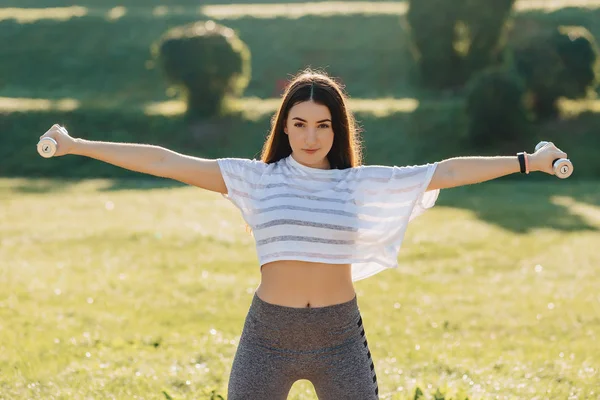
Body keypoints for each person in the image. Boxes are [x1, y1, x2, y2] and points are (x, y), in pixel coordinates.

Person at [38, 69, 568, 399]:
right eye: (299, 124)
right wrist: (74, 143)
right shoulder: (253, 177)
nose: (310, 136)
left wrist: (531, 161)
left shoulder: (359, 184)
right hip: (268, 335)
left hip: (340, 336)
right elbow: (164, 160)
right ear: (283, 126)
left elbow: (446, 172)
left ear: (337, 130)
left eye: (322, 125)